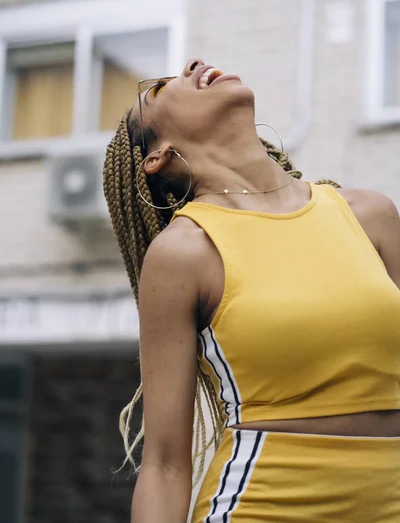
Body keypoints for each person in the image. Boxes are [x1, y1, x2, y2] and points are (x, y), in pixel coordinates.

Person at [103, 58, 400, 522]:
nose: (195, 63)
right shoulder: (183, 253)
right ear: (158, 155)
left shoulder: (370, 215)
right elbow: (164, 464)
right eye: (159, 90)